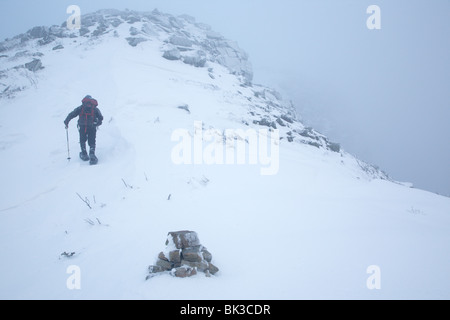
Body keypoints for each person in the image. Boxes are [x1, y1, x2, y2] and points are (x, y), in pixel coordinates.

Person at [64, 95, 103, 164]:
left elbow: (72, 114)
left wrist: (66, 121)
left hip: (82, 126)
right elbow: (101, 118)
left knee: (82, 139)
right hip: (92, 126)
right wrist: (97, 123)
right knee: (92, 140)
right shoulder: (94, 109)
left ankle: (84, 154)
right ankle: (92, 154)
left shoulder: (81, 108)